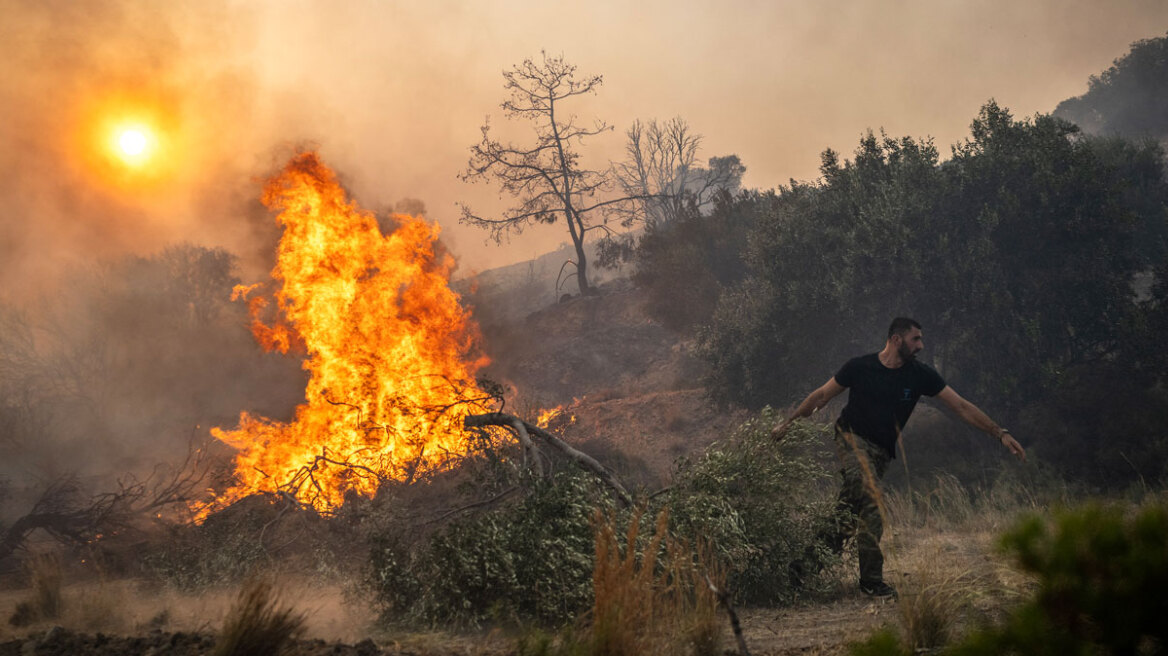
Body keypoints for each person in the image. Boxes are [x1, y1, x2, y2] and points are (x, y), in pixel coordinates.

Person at [770, 317, 1025, 598]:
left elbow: (961, 406)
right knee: (871, 499)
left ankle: (802, 569)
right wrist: (788, 423)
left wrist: (999, 433)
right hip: (850, 438)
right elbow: (821, 396)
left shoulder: (921, 375)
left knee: (849, 513)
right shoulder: (859, 367)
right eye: (916, 339)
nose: (921, 345)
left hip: (881, 452)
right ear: (895, 339)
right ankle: (871, 582)